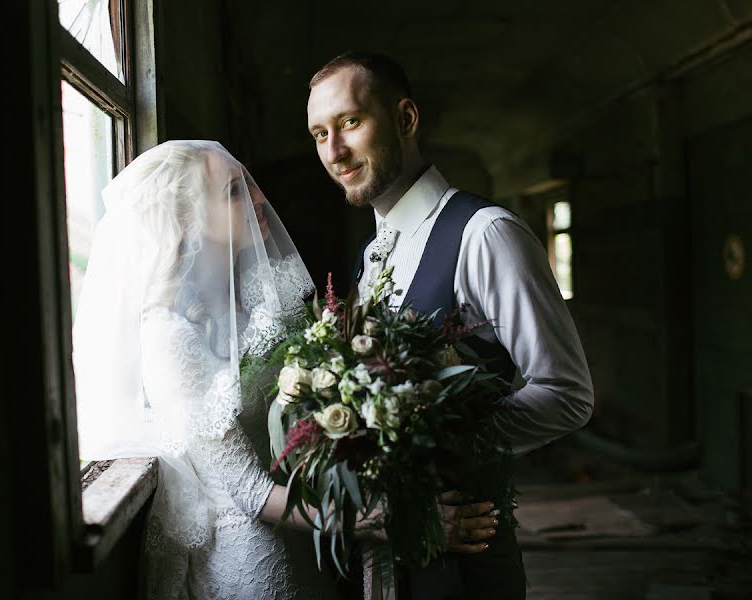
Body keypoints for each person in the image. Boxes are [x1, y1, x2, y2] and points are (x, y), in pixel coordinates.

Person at [71, 140, 493, 600]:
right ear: (188, 217)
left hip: (308, 531)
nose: (257, 199)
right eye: (234, 191)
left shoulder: (255, 302)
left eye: (249, 186)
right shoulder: (168, 335)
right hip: (256, 554)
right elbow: (249, 492)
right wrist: (387, 520)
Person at [307, 52, 595, 599]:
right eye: (320, 134)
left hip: (466, 567)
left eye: (349, 123)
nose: (334, 152)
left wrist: (437, 445)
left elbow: (567, 394)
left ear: (406, 119)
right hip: (388, 558)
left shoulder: (485, 235)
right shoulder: (372, 256)